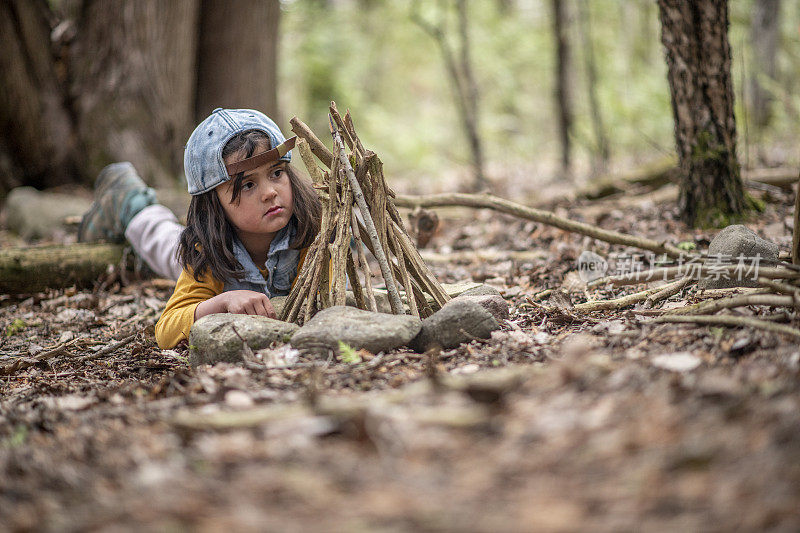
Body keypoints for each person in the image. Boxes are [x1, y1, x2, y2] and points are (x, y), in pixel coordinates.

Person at [78, 108, 321, 349]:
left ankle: (137, 258)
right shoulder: (203, 250)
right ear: (213, 204)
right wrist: (220, 302)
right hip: (215, 252)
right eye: (247, 185)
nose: (270, 192)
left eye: (276, 172)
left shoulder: (313, 232)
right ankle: (127, 200)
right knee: (163, 241)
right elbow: (166, 329)